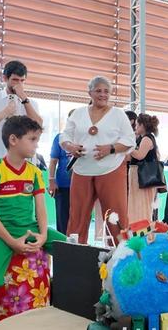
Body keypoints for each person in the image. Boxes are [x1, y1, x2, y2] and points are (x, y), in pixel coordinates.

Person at [0, 116, 66, 321]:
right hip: (1, 233)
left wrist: (42, 235)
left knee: (70, 248)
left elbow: (41, 210)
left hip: (30, 228)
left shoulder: (34, 172)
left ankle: (60, 300)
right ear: (13, 140)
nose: (36, 144)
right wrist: (12, 242)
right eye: (32, 139)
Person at [60, 76, 135, 244]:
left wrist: (111, 148)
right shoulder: (78, 113)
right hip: (82, 170)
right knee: (77, 218)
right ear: (90, 93)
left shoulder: (118, 114)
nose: (103, 94)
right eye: (98, 91)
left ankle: (122, 254)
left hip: (111, 169)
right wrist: (70, 146)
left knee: (117, 217)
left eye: (106, 91)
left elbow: (130, 140)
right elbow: (65, 136)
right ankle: (74, 253)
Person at [0, 60, 43, 166]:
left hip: (24, 162)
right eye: (15, 80)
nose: (19, 84)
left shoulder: (31, 103)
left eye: (22, 80)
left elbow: (38, 126)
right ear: (5, 78)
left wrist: (23, 98)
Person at [128, 114, 161, 223]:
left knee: (141, 204)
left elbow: (140, 155)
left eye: (137, 125)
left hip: (142, 175)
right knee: (137, 203)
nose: (135, 127)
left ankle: (141, 226)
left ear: (143, 125)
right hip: (137, 174)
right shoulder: (142, 138)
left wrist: (128, 147)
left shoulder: (147, 138)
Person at [49, 109, 75, 234]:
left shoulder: (86, 138)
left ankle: (80, 244)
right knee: (62, 219)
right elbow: (53, 161)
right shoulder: (60, 138)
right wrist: (51, 181)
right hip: (63, 186)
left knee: (79, 219)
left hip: (81, 186)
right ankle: (63, 243)